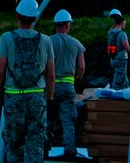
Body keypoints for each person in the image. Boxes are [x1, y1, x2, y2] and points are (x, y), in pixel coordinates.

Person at [0, 0, 56, 163]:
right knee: (35, 143)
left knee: (13, 144)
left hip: (14, 99)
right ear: (35, 18)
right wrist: (50, 99)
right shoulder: (46, 40)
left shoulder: (6, 38)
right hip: (37, 99)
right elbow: (51, 75)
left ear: (17, 16)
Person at [48, 9, 86, 160]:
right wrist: (76, 79)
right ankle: (70, 151)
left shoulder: (48, 41)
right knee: (68, 120)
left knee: (48, 119)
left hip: (50, 87)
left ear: (56, 24)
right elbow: (82, 66)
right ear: (67, 25)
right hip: (68, 87)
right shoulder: (76, 43)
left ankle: (43, 148)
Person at [107, 8, 130, 90]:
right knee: (120, 80)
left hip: (113, 59)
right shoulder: (122, 34)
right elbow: (126, 47)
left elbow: (114, 27)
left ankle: (124, 89)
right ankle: (117, 95)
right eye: (124, 23)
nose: (125, 25)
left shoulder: (110, 32)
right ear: (122, 22)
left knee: (121, 77)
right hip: (121, 59)